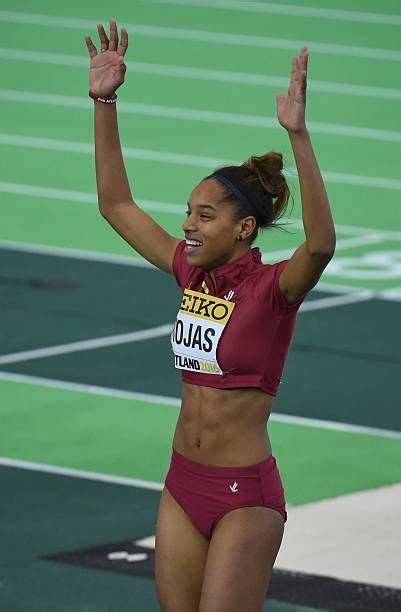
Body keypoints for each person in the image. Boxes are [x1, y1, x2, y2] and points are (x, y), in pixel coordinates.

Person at [85, 18, 336, 612]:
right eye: (188, 214)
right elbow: (115, 204)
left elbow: (321, 245)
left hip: (244, 496)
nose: (188, 227)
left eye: (203, 216)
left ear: (244, 229)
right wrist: (105, 101)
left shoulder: (276, 288)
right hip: (182, 485)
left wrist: (298, 136)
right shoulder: (189, 272)